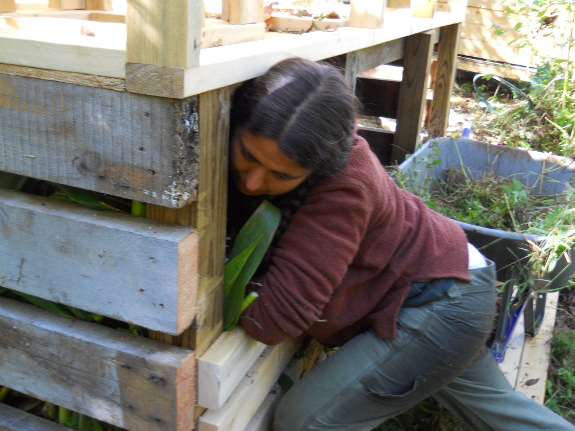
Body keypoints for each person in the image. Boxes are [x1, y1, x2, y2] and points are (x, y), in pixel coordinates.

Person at [227, 57, 575, 431]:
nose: (250, 182)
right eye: (247, 156)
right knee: (498, 411)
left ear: (320, 165)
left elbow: (275, 319)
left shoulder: (345, 187)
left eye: (281, 175)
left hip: (441, 300)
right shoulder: (313, 148)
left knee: (306, 420)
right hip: (451, 281)